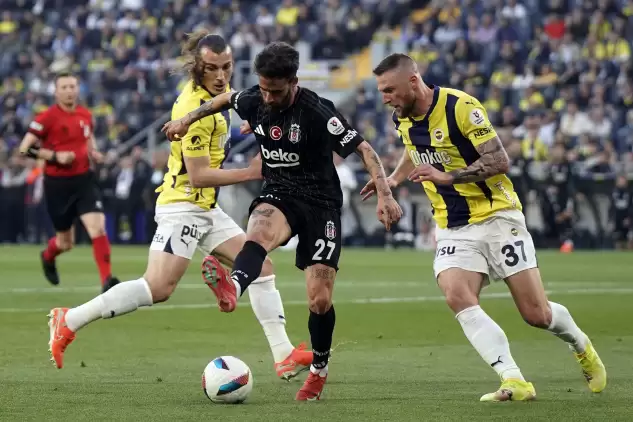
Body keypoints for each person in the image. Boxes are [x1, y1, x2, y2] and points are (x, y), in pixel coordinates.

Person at [46, 34, 313, 381]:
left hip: (206, 208)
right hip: (183, 205)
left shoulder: (217, 96)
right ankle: (68, 320)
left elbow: (240, 105)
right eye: (212, 68)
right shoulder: (192, 108)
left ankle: (284, 355)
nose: (221, 75)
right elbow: (199, 176)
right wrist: (249, 172)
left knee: (260, 266)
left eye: (227, 67)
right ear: (198, 67)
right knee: (157, 287)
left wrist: (252, 121)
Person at [162, 41, 402, 400]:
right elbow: (222, 100)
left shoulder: (318, 112)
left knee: (319, 300)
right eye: (263, 89)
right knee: (258, 232)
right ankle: (233, 289)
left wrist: (385, 194)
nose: (267, 97)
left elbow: (365, 150)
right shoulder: (255, 99)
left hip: (320, 204)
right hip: (280, 191)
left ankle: (318, 369)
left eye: (275, 91)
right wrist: (186, 119)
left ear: (294, 82)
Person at [361, 54, 606, 402]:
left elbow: (499, 160)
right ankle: (513, 379)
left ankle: (581, 345)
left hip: (497, 216)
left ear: (413, 81)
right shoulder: (401, 115)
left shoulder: (460, 107)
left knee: (537, 314)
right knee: (457, 295)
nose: (385, 98)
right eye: (382, 91)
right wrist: (394, 179)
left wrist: (449, 176)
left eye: (389, 90)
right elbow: (414, 147)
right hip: (453, 226)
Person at [19, 72, 119, 293]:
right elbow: (24, 148)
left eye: (72, 86)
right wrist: (55, 156)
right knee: (66, 243)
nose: (69, 91)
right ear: (55, 92)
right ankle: (47, 256)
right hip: (57, 185)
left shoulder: (85, 114)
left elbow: (87, 137)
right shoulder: (46, 118)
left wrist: (94, 153)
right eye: (64, 87)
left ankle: (107, 281)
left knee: (97, 227)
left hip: (83, 180)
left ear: (78, 89)